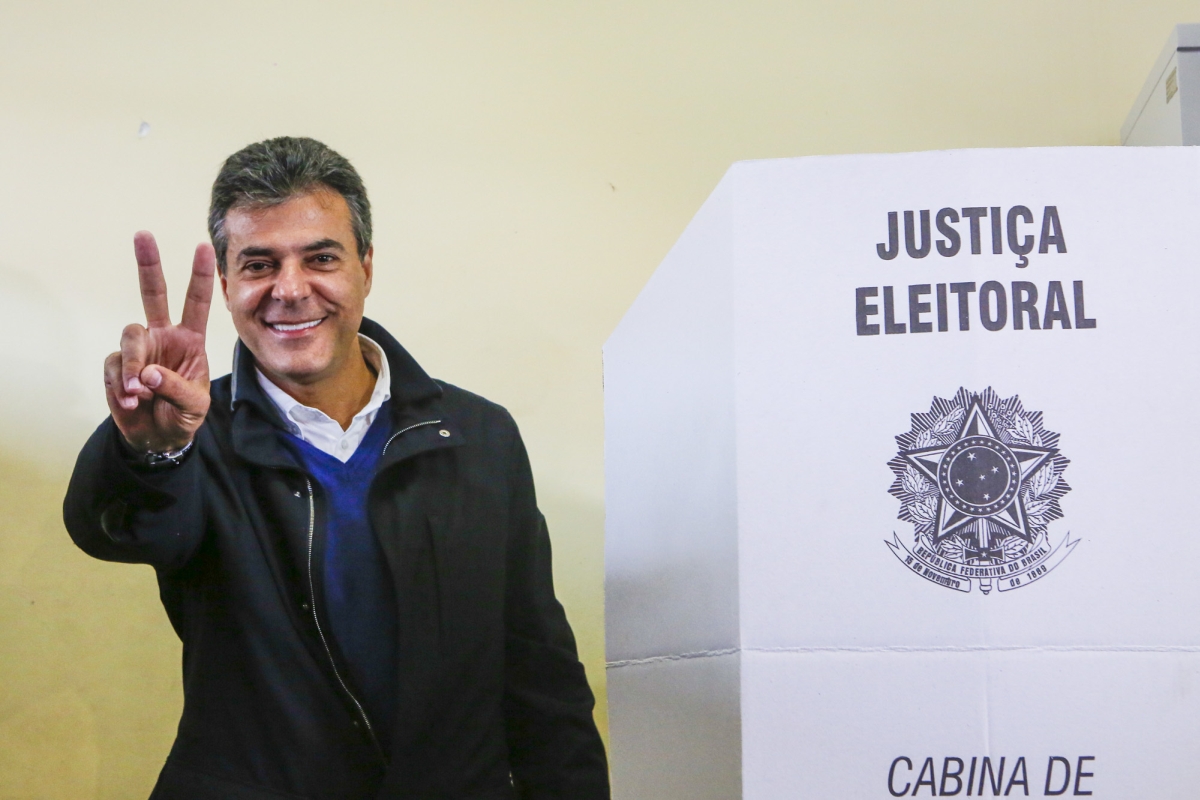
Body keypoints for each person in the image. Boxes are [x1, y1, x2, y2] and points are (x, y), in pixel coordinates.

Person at [63, 137, 610, 799]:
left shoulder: (478, 436)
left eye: (321, 258)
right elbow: (115, 527)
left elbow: (540, 670)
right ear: (228, 287)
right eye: (259, 264)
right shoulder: (193, 438)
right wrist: (153, 451)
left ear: (365, 268)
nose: (291, 290)